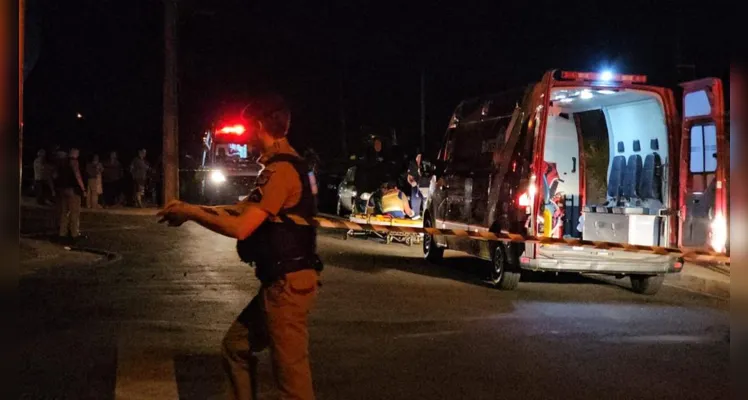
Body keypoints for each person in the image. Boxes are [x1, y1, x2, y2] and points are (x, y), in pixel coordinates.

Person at [157, 93, 321, 400]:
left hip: (287, 287)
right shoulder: (287, 166)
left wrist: (191, 213)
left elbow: (241, 227)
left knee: (293, 383)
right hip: (280, 282)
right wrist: (190, 208)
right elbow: (243, 210)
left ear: (260, 127)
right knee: (236, 347)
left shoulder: (280, 172)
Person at [58, 148, 86, 242]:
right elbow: (77, 175)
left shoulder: (63, 162)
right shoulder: (74, 162)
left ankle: (62, 232)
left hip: (63, 189)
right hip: (73, 190)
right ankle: (75, 233)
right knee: (75, 212)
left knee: (64, 212)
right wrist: (83, 188)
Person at [407, 152, 425, 217]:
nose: (419, 159)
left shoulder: (425, 164)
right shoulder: (413, 164)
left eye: (421, 157)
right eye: (418, 157)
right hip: (416, 186)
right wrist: (412, 182)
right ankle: (415, 214)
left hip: (425, 185)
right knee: (415, 192)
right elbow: (409, 177)